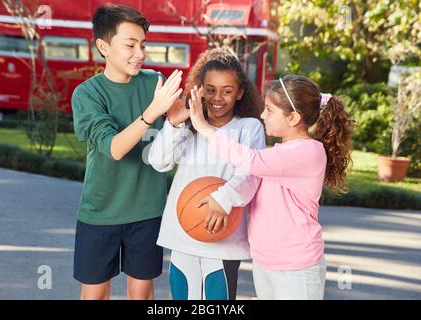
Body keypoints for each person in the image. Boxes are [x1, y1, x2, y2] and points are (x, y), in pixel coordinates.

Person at [188, 74, 353, 300]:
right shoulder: (280, 153)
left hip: (297, 267)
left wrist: (203, 127)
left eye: (269, 109)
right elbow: (249, 176)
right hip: (267, 262)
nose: (262, 114)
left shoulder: (308, 152)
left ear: (293, 117)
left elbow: (249, 160)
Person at [71, 4, 183, 300]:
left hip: (147, 211)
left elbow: (179, 132)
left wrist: (177, 118)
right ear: (104, 47)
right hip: (100, 212)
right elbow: (113, 148)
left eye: (143, 45)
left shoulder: (154, 83)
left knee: (143, 294)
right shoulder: (87, 94)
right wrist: (152, 112)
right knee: (94, 295)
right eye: (130, 45)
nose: (140, 53)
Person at [148, 48, 266, 300]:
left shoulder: (249, 127)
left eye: (227, 90)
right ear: (199, 89)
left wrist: (222, 199)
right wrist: (173, 123)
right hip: (183, 233)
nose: (218, 97)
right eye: (210, 89)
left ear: (240, 93)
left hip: (223, 236)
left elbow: (251, 173)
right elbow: (158, 161)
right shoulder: (189, 125)